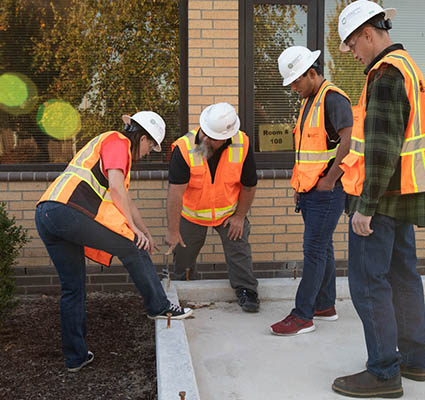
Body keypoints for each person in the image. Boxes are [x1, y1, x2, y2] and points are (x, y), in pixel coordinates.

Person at [332, 1, 425, 398]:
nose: (351, 52)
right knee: (403, 276)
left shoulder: (384, 76)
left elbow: (381, 149)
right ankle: (415, 359)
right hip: (405, 195)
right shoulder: (409, 68)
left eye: (351, 44)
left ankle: (383, 372)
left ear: (367, 32)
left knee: (368, 283)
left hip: (380, 199)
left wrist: (365, 207)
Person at [35, 111, 193, 373]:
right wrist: (134, 233)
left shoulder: (110, 152)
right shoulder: (118, 142)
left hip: (48, 214)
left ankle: (76, 357)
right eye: (151, 146)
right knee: (131, 245)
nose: (149, 152)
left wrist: (145, 232)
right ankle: (160, 307)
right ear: (141, 137)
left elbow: (126, 201)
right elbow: (117, 191)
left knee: (72, 289)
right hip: (68, 212)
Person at [270, 46, 353, 335]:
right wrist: (299, 186)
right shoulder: (310, 101)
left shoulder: (333, 99)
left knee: (314, 250)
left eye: (296, 81)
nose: (293, 88)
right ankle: (325, 305)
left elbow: (350, 144)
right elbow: (307, 152)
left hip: (327, 191)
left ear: (312, 73)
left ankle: (303, 315)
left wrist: (330, 180)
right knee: (324, 247)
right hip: (311, 191)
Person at [165, 102, 260, 312]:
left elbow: (249, 185)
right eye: (205, 134)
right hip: (191, 214)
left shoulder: (241, 143)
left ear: (226, 137)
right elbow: (175, 193)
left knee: (239, 249)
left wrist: (239, 217)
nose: (206, 139)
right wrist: (173, 231)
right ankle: (183, 290)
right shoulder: (184, 147)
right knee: (183, 257)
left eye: (213, 138)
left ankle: (247, 291)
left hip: (229, 212)